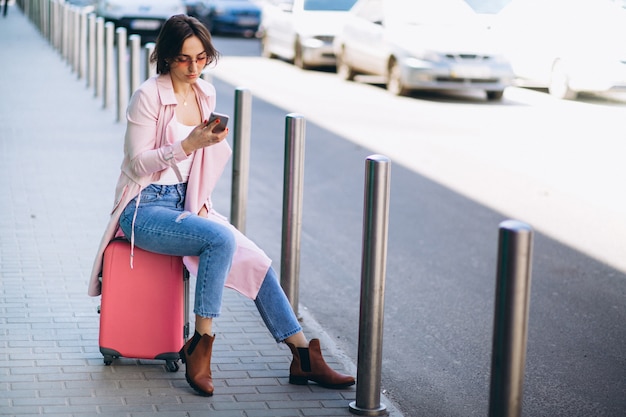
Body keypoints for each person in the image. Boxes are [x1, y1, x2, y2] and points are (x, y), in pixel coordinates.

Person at [87, 14, 354, 397]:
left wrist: (208, 147)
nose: (194, 67)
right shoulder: (148, 96)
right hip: (143, 209)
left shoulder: (204, 93)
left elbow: (202, 164)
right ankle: (201, 342)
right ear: (166, 57)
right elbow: (135, 163)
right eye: (183, 58)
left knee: (256, 260)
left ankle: (302, 355)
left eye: (201, 58)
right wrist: (187, 145)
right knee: (220, 241)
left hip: (189, 202)